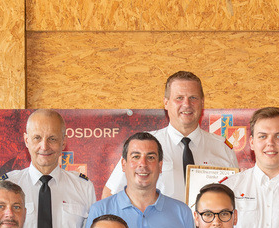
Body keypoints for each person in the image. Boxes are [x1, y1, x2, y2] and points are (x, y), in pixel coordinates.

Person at [102, 71, 238, 202]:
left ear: (202, 102)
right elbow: (111, 194)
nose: (187, 104)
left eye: (193, 98)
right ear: (166, 103)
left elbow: (236, 198)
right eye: (179, 98)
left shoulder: (222, 148)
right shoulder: (145, 145)